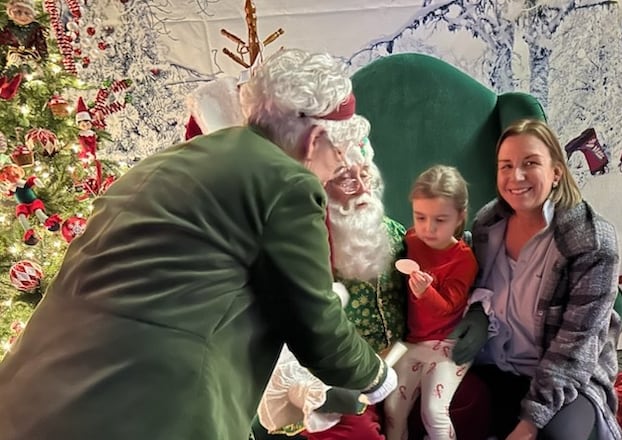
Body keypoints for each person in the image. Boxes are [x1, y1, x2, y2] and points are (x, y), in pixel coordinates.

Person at [0, 48, 397, 440]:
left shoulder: (166, 162)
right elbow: (314, 323)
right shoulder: (287, 181)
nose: (338, 168)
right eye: (340, 153)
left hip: (34, 393)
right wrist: (375, 376)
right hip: (148, 406)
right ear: (315, 140)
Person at [449, 119, 622, 440]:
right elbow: (478, 290)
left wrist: (529, 425)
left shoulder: (592, 241)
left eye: (530, 163)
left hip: (565, 378)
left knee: (556, 436)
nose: (515, 177)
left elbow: (575, 350)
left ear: (556, 171)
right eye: (506, 166)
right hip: (494, 368)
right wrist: (474, 313)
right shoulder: (488, 224)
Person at [255, 137, 408, 440]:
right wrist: (322, 391)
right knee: (351, 429)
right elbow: (284, 336)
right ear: (322, 187)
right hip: (339, 376)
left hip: (402, 359)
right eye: (346, 180)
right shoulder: (304, 250)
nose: (363, 189)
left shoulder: (394, 232)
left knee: (469, 399)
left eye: (364, 175)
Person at [384, 165, 478, 440]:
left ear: (459, 217)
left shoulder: (463, 259)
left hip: (449, 343)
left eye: (440, 219)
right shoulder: (411, 239)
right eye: (420, 217)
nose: (428, 228)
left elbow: (449, 305)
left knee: (434, 410)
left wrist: (426, 291)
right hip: (412, 342)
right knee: (391, 408)